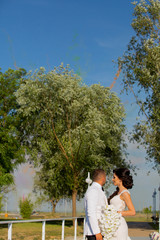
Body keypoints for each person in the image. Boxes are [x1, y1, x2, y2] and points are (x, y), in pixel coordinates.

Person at [108, 168, 136, 240]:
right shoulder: (116, 192)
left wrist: (116, 213)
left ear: (120, 179)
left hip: (119, 226)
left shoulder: (125, 193)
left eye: (114, 177)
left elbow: (132, 212)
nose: (112, 179)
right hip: (112, 224)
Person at [84, 169, 108, 240]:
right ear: (103, 178)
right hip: (93, 233)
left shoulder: (98, 190)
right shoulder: (93, 190)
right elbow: (91, 212)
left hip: (99, 231)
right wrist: (97, 232)